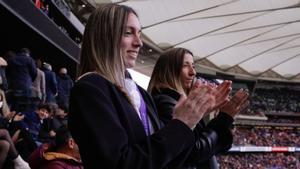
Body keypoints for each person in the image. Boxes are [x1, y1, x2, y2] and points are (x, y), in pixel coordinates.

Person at [68, 3, 224, 169]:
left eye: (139, 34)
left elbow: (168, 160)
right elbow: (120, 163)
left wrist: (191, 119)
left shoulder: (142, 94)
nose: (139, 43)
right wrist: (181, 125)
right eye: (128, 33)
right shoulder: (90, 89)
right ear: (104, 36)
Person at [148, 47, 249, 169]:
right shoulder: (166, 102)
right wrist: (223, 119)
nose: (193, 72)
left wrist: (207, 112)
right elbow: (194, 151)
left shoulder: (176, 100)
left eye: (193, 66)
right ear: (168, 70)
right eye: (185, 66)